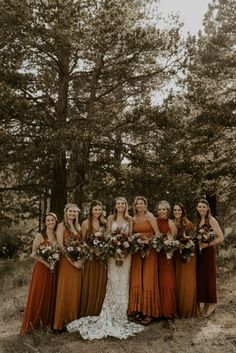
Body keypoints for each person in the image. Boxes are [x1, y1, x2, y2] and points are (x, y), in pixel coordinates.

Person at [67, 197, 143, 339]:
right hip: (112, 255)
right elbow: (108, 236)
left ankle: (123, 313)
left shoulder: (130, 219)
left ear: (126, 206)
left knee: (124, 281)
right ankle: (113, 311)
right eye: (118, 203)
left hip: (126, 255)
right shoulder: (108, 219)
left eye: (122, 203)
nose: (120, 205)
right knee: (113, 281)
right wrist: (114, 248)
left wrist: (126, 245)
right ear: (114, 205)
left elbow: (130, 236)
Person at [20, 212, 58, 335]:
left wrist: (53, 260)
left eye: (52, 220)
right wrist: (46, 263)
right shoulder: (40, 235)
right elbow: (33, 253)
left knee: (50, 294)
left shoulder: (57, 235)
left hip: (53, 269)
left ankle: (48, 323)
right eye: (48, 220)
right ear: (45, 222)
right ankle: (34, 324)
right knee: (39, 294)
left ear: (55, 221)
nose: (51, 222)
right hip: (42, 269)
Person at [128, 196, 161, 325]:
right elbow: (130, 235)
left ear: (145, 205)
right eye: (137, 204)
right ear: (135, 206)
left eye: (142, 203)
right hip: (137, 251)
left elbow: (157, 233)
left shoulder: (150, 216)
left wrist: (150, 242)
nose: (140, 206)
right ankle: (137, 310)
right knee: (137, 279)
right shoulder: (133, 219)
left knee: (148, 278)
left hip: (149, 251)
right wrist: (136, 240)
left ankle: (149, 312)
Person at [53, 203, 82, 331]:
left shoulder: (78, 226)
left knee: (75, 290)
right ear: (66, 212)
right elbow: (60, 245)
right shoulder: (61, 225)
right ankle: (60, 323)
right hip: (67, 262)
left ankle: (72, 321)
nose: (73, 214)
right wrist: (72, 261)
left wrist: (81, 259)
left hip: (78, 262)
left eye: (75, 212)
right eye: (70, 211)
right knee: (65, 289)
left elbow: (82, 244)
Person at [196, 199, 224, 317]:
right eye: (199, 206)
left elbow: (220, 237)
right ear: (197, 208)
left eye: (204, 207)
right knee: (202, 277)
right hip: (200, 252)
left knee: (209, 276)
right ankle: (204, 302)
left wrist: (206, 244)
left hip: (208, 251)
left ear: (207, 208)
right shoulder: (199, 220)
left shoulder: (211, 220)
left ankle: (212, 303)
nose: (201, 208)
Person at [79, 200, 107, 317]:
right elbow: (82, 241)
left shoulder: (104, 223)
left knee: (101, 282)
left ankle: (100, 310)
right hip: (91, 258)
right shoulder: (85, 223)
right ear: (91, 210)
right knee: (90, 282)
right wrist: (92, 250)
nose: (98, 212)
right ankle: (89, 310)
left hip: (102, 257)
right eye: (95, 209)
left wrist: (102, 249)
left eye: (99, 209)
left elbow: (107, 238)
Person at [172, 202, 197, 318]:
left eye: (179, 210)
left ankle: (186, 310)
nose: (177, 212)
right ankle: (177, 309)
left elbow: (194, 239)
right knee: (177, 281)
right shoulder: (171, 223)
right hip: (175, 256)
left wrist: (188, 244)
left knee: (187, 281)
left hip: (188, 256)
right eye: (175, 210)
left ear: (183, 211)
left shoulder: (188, 224)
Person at [156, 200, 178, 318]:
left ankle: (168, 310)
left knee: (167, 280)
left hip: (166, 256)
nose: (161, 211)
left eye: (164, 209)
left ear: (168, 210)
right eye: (159, 209)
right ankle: (157, 310)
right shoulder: (154, 221)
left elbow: (173, 240)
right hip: (156, 255)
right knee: (157, 280)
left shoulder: (171, 223)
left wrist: (167, 243)